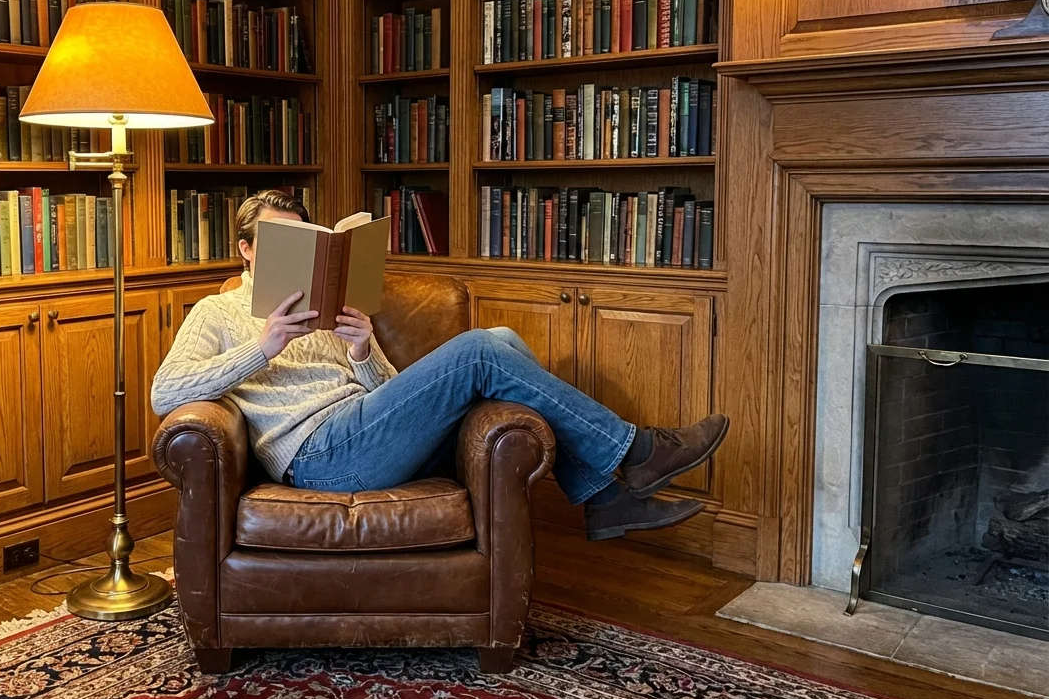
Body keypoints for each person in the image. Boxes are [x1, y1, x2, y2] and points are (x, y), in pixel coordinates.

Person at [150, 189, 728, 540]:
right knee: (480, 346)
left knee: (498, 335)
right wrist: (264, 345)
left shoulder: (327, 307)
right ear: (247, 248)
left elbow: (393, 392)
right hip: (319, 458)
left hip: (368, 434)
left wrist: (360, 349)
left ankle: (604, 499)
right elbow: (166, 392)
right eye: (275, 239)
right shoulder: (218, 310)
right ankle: (634, 455)